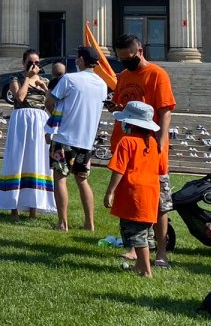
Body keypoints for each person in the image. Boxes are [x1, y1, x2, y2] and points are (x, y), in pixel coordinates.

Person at [111, 34, 176, 268]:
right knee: (130, 200)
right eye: (120, 59)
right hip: (127, 147)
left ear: (140, 51)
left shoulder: (157, 74)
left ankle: (161, 252)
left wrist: (160, 139)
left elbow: (165, 110)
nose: (125, 62)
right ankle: (133, 248)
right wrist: (114, 106)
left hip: (151, 150)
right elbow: (124, 105)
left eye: (128, 58)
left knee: (158, 204)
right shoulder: (124, 76)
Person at [44, 47, 105, 231]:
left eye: (78, 59)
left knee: (60, 178)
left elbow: (50, 100)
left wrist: (53, 119)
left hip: (64, 137)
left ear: (81, 60)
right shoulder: (102, 84)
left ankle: (62, 223)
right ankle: (89, 223)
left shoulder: (70, 79)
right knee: (82, 179)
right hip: (86, 140)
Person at [0, 49, 56, 220]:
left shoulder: (43, 80)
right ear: (24, 63)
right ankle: (13, 207)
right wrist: (28, 77)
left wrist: (45, 88)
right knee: (19, 158)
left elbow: (52, 103)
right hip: (22, 119)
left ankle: (33, 207)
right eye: (30, 62)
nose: (34, 65)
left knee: (37, 159)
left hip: (40, 120)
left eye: (37, 63)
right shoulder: (16, 79)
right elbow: (20, 98)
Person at [104, 101, 162, 278]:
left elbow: (119, 169)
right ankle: (139, 265)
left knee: (137, 235)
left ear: (130, 122)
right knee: (144, 230)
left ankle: (146, 270)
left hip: (133, 193)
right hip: (151, 193)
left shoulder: (126, 141)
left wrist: (110, 192)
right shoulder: (152, 142)